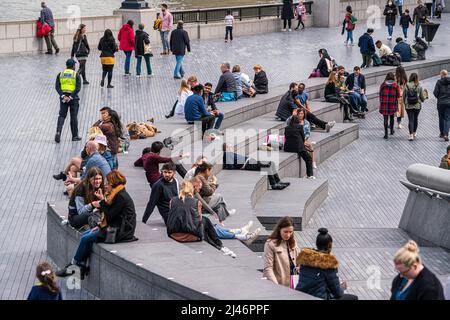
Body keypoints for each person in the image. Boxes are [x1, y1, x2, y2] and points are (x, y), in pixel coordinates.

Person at [57, 170, 137, 279]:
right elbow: (111, 215)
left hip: (121, 231)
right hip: (115, 226)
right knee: (85, 235)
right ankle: (80, 265)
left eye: (107, 183)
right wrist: (99, 226)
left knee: (86, 238)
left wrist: (101, 203)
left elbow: (110, 215)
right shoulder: (117, 194)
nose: (106, 185)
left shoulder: (121, 197)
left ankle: (73, 265)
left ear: (113, 183)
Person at [190, 177, 260, 243]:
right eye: (199, 189)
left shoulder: (193, 193)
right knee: (214, 229)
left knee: (213, 226)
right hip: (191, 226)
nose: (199, 191)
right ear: (194, 187)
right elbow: (201, 204)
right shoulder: (190, 197)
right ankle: (244, 237)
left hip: (192, 223)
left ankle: (240, 231)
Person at [295, 228, 358, 300]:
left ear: (317, 244)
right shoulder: (328, 264)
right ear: (330, 245)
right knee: (353, 298)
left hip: (301, 296)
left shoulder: (305, 259)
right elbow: (337, 293)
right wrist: (342, 287)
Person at [222, 142, 290, 190]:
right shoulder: (227, 153)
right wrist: (239, 167)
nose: (232, 147)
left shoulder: (230, 153)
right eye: (231, 146)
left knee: (271, 163)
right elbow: (230, 166)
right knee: (267, 167)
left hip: (250, 161)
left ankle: (278, 181)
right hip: (247, 164)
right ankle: (273, 185)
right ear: (227, 147)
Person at [263, 217, 299, 287]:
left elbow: (299, 261)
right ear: (279, 229)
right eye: (285, 232)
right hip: (279, 285)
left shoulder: (293, 241)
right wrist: (277, 287)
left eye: (290, 232)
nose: (288, 235)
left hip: (294, 283)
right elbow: (268, 268)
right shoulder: (270, 244)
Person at [55, 58, 82, 143]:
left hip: (63, 99)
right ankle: (75, 136)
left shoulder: (60, 74)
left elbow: (57, 87)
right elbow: (78, 88)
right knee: (73, 117)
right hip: (73, 99)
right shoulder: (76, 74)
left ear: (66, 66)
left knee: (62, 115)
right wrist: (70, 97)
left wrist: (63, 96)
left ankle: (58, 132)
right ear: (73, 66)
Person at [284, 114, 315, 179]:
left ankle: (309, 175)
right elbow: (303, 138)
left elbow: (286, 137)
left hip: (288, 148)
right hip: (298, 148)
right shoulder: (300, 126)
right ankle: (310, 175)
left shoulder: (286, 128)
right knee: (308, 159)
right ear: (298, 120)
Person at [403, 72, 427, 140]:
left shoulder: (406, 85)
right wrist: (424, 98)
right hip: (417, 106)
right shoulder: (419, 86)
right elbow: (422, 98)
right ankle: (414, 133)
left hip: (409, 106)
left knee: (410, 120)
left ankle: (410, 135)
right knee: (415, 119)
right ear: (417, 78)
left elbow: (404, 97)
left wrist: (405, 104)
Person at [379, 72, 401, 139]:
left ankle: (386, 134)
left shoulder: (383, 84)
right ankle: (391, 131)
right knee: (391, 117)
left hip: (384, 103)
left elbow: (380, 93)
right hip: (392, 103)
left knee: (385, 118)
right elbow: (398, 95)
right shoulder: (395, 85)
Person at [434, 70, 450, 141]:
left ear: (441, 74)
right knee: (447, 118)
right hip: (449, 103)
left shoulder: (439, 82)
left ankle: (442, 133)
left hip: (440, 103)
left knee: (441, 118)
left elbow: (435, 92)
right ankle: (446, 134)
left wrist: (439, 98)